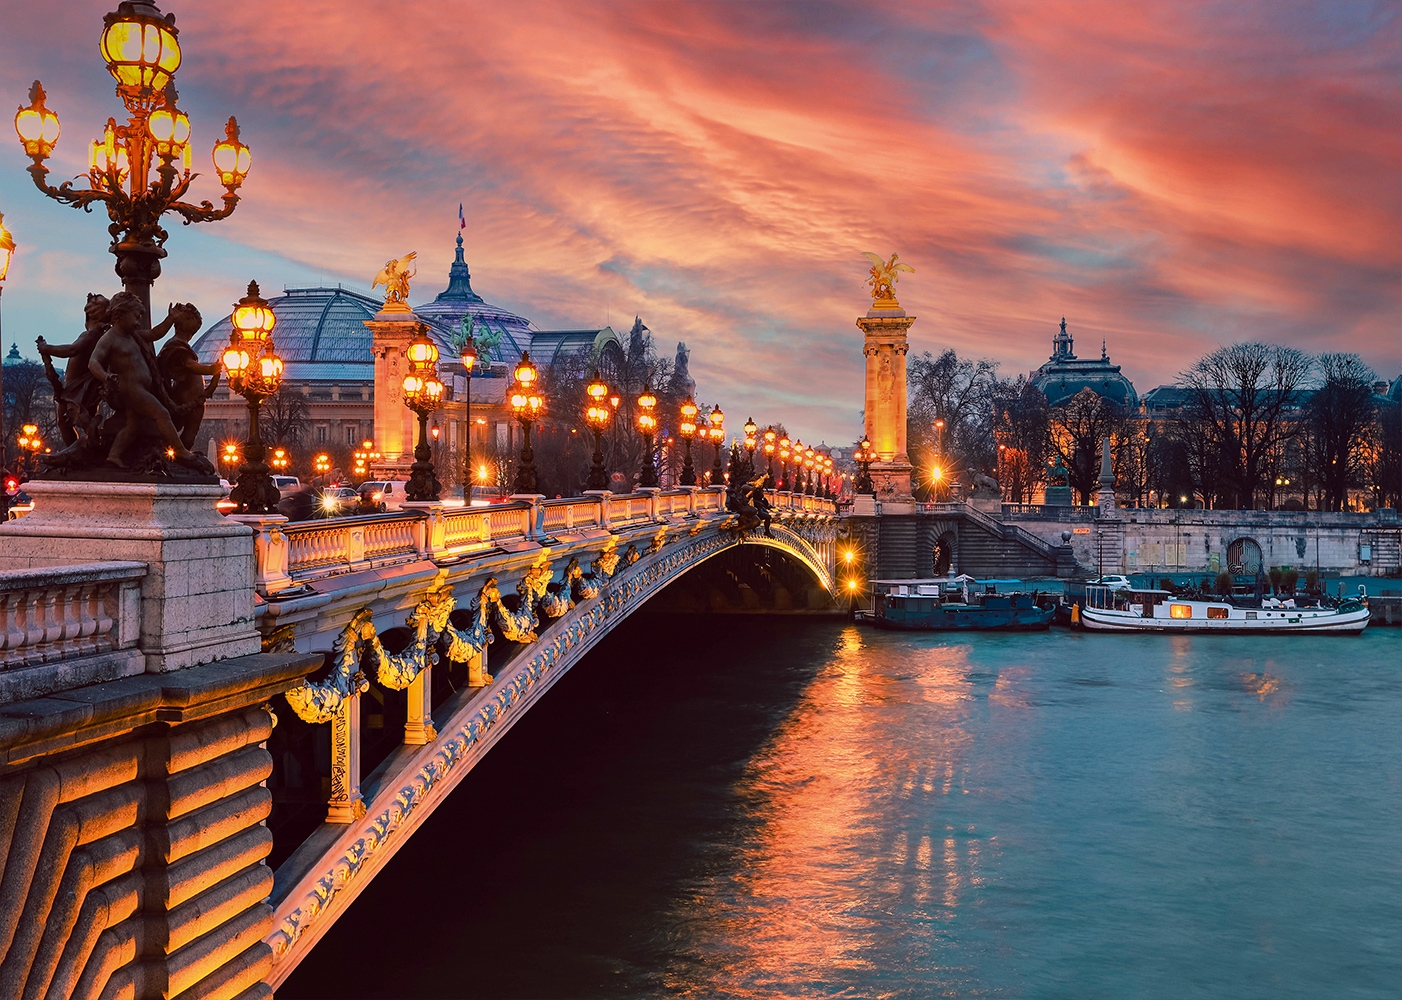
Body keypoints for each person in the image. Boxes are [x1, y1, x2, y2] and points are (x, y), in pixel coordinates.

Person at [88, 291, 213, 474]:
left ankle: (114, 455)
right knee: (161, 413)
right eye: (136, 317)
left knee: (132, 425)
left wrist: (170, 319)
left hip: (139, 388)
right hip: (131, 389)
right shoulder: (110, 338)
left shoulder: (132, 335)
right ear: (121, 314)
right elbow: (93, 362)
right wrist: (106, 377)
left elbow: (155, 333)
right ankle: (180, 451)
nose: (138, 322)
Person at [36, 293, 109, 449]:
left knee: (66, 422)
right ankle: (81, 451)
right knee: (75, 422)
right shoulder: (99, 335)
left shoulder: (90, 335)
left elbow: (71, 349)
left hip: (77, 390)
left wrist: (46, 348)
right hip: (79, 387)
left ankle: (78, 454)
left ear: (90, 314)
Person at [154, 302, 220, 449]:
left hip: (193, 398)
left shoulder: (176, 345)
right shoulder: (177, 347)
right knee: (190, 433)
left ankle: (181, 455)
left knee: (190, 433)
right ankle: (181, 457)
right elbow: (191, 366)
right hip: (189, 399)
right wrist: (211, 370)